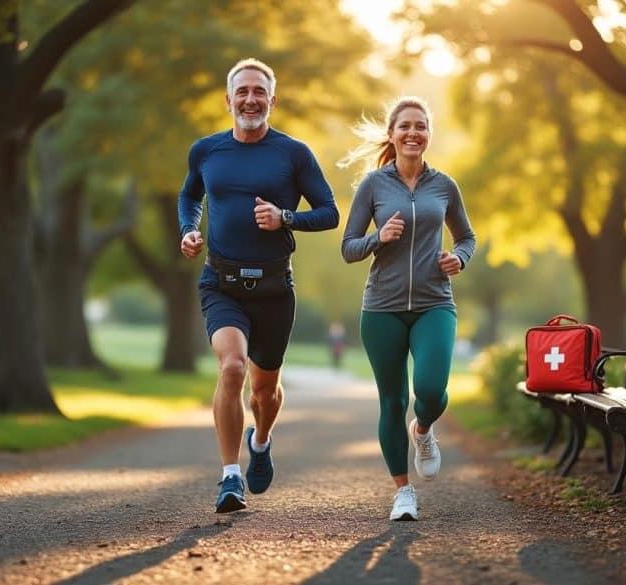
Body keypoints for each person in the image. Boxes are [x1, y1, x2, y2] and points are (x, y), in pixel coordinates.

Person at [178, 58, 339, 513]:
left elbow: (329, 212)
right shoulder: (206, 151)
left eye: (259, 92)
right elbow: (190, 194)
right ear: (228, 100)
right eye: (242, 91)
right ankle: (230, 478)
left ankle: (261, 439)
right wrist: (189, 229)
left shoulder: (293, 153)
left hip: (273, 288)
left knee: (264, 392)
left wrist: (285, 217)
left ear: (272, 99)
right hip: (220, 282)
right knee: (232, 368)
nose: (251, 99)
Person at [339, 96, 476, 521]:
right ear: (392, 134)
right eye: (405, 126)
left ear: (428, 134)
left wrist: (460, 258)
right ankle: (403, 492)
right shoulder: (373, 186)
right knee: (392, 401)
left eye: (420, 126)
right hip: (382, 308)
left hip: (435, 303)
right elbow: (348, 248)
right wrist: (379, 239)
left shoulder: (445, 186)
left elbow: (467, 237)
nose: (413, 133)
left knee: (431, 391)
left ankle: (424, 431)